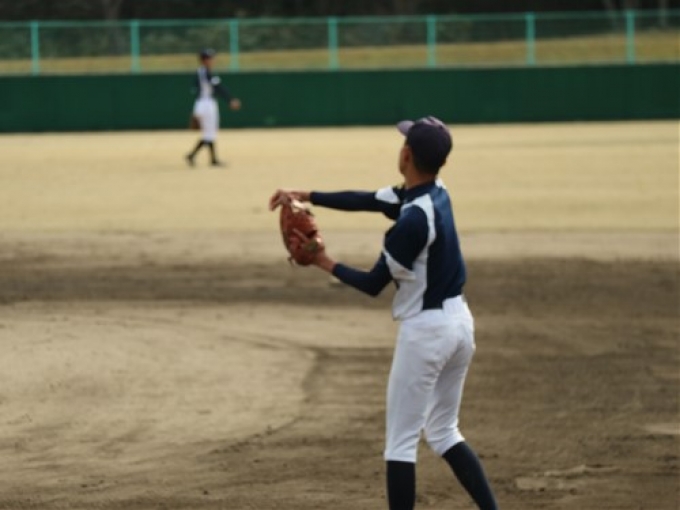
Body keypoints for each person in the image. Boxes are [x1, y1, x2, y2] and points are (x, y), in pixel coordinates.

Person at [269, 117, 499, 510]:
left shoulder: (411, 222)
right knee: (443, 431)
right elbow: (369, 200)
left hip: (427, 333)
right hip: (460, 324)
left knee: (401, 443)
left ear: (406, 155)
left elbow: (374, 283)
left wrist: (322, 260)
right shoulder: (434, 193)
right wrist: (305, 195)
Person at [185, 48, 241, 168]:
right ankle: (196, 156)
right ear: (204, 60)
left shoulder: (200, 72)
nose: (213, 60)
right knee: (209, 133)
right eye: (210, 58)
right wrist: (230, 100)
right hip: (207, 104)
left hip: (201, 104)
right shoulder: (206, 72)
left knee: (209, 133)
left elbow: (195, 89)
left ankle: (204, 158)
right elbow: (218, 88)